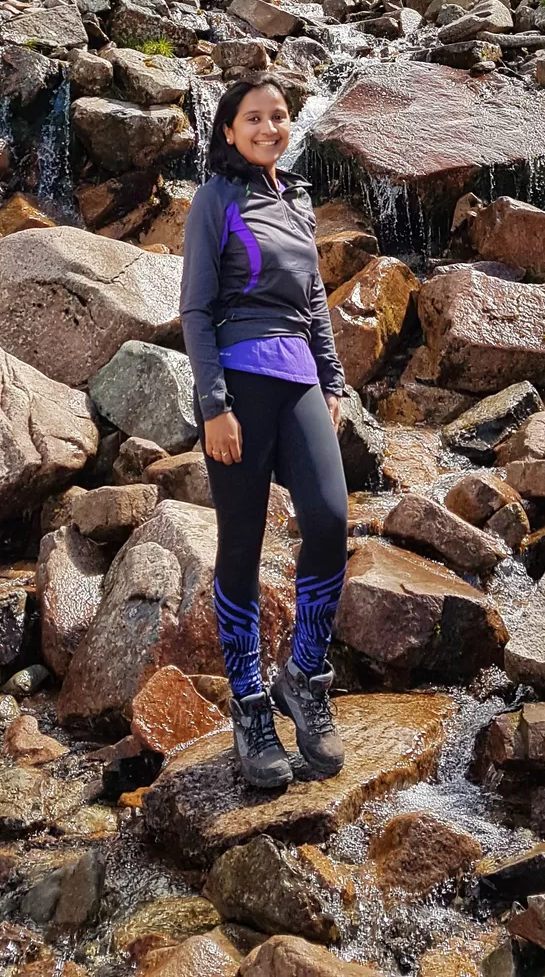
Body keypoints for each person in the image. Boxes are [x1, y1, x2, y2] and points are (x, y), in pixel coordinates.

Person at [179, 75, 349, 790]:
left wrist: (334, 380)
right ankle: (249, 703)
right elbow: (195, 310)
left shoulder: (297, 197)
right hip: (241, 386)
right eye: (254, 117)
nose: (269, 126)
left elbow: (312, 294)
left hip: (301, 378)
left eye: (279, 116)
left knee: (331, 520)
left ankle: (304, 676)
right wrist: (214, 405)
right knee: (242, 545)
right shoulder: (215, 198)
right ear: (228, 130)